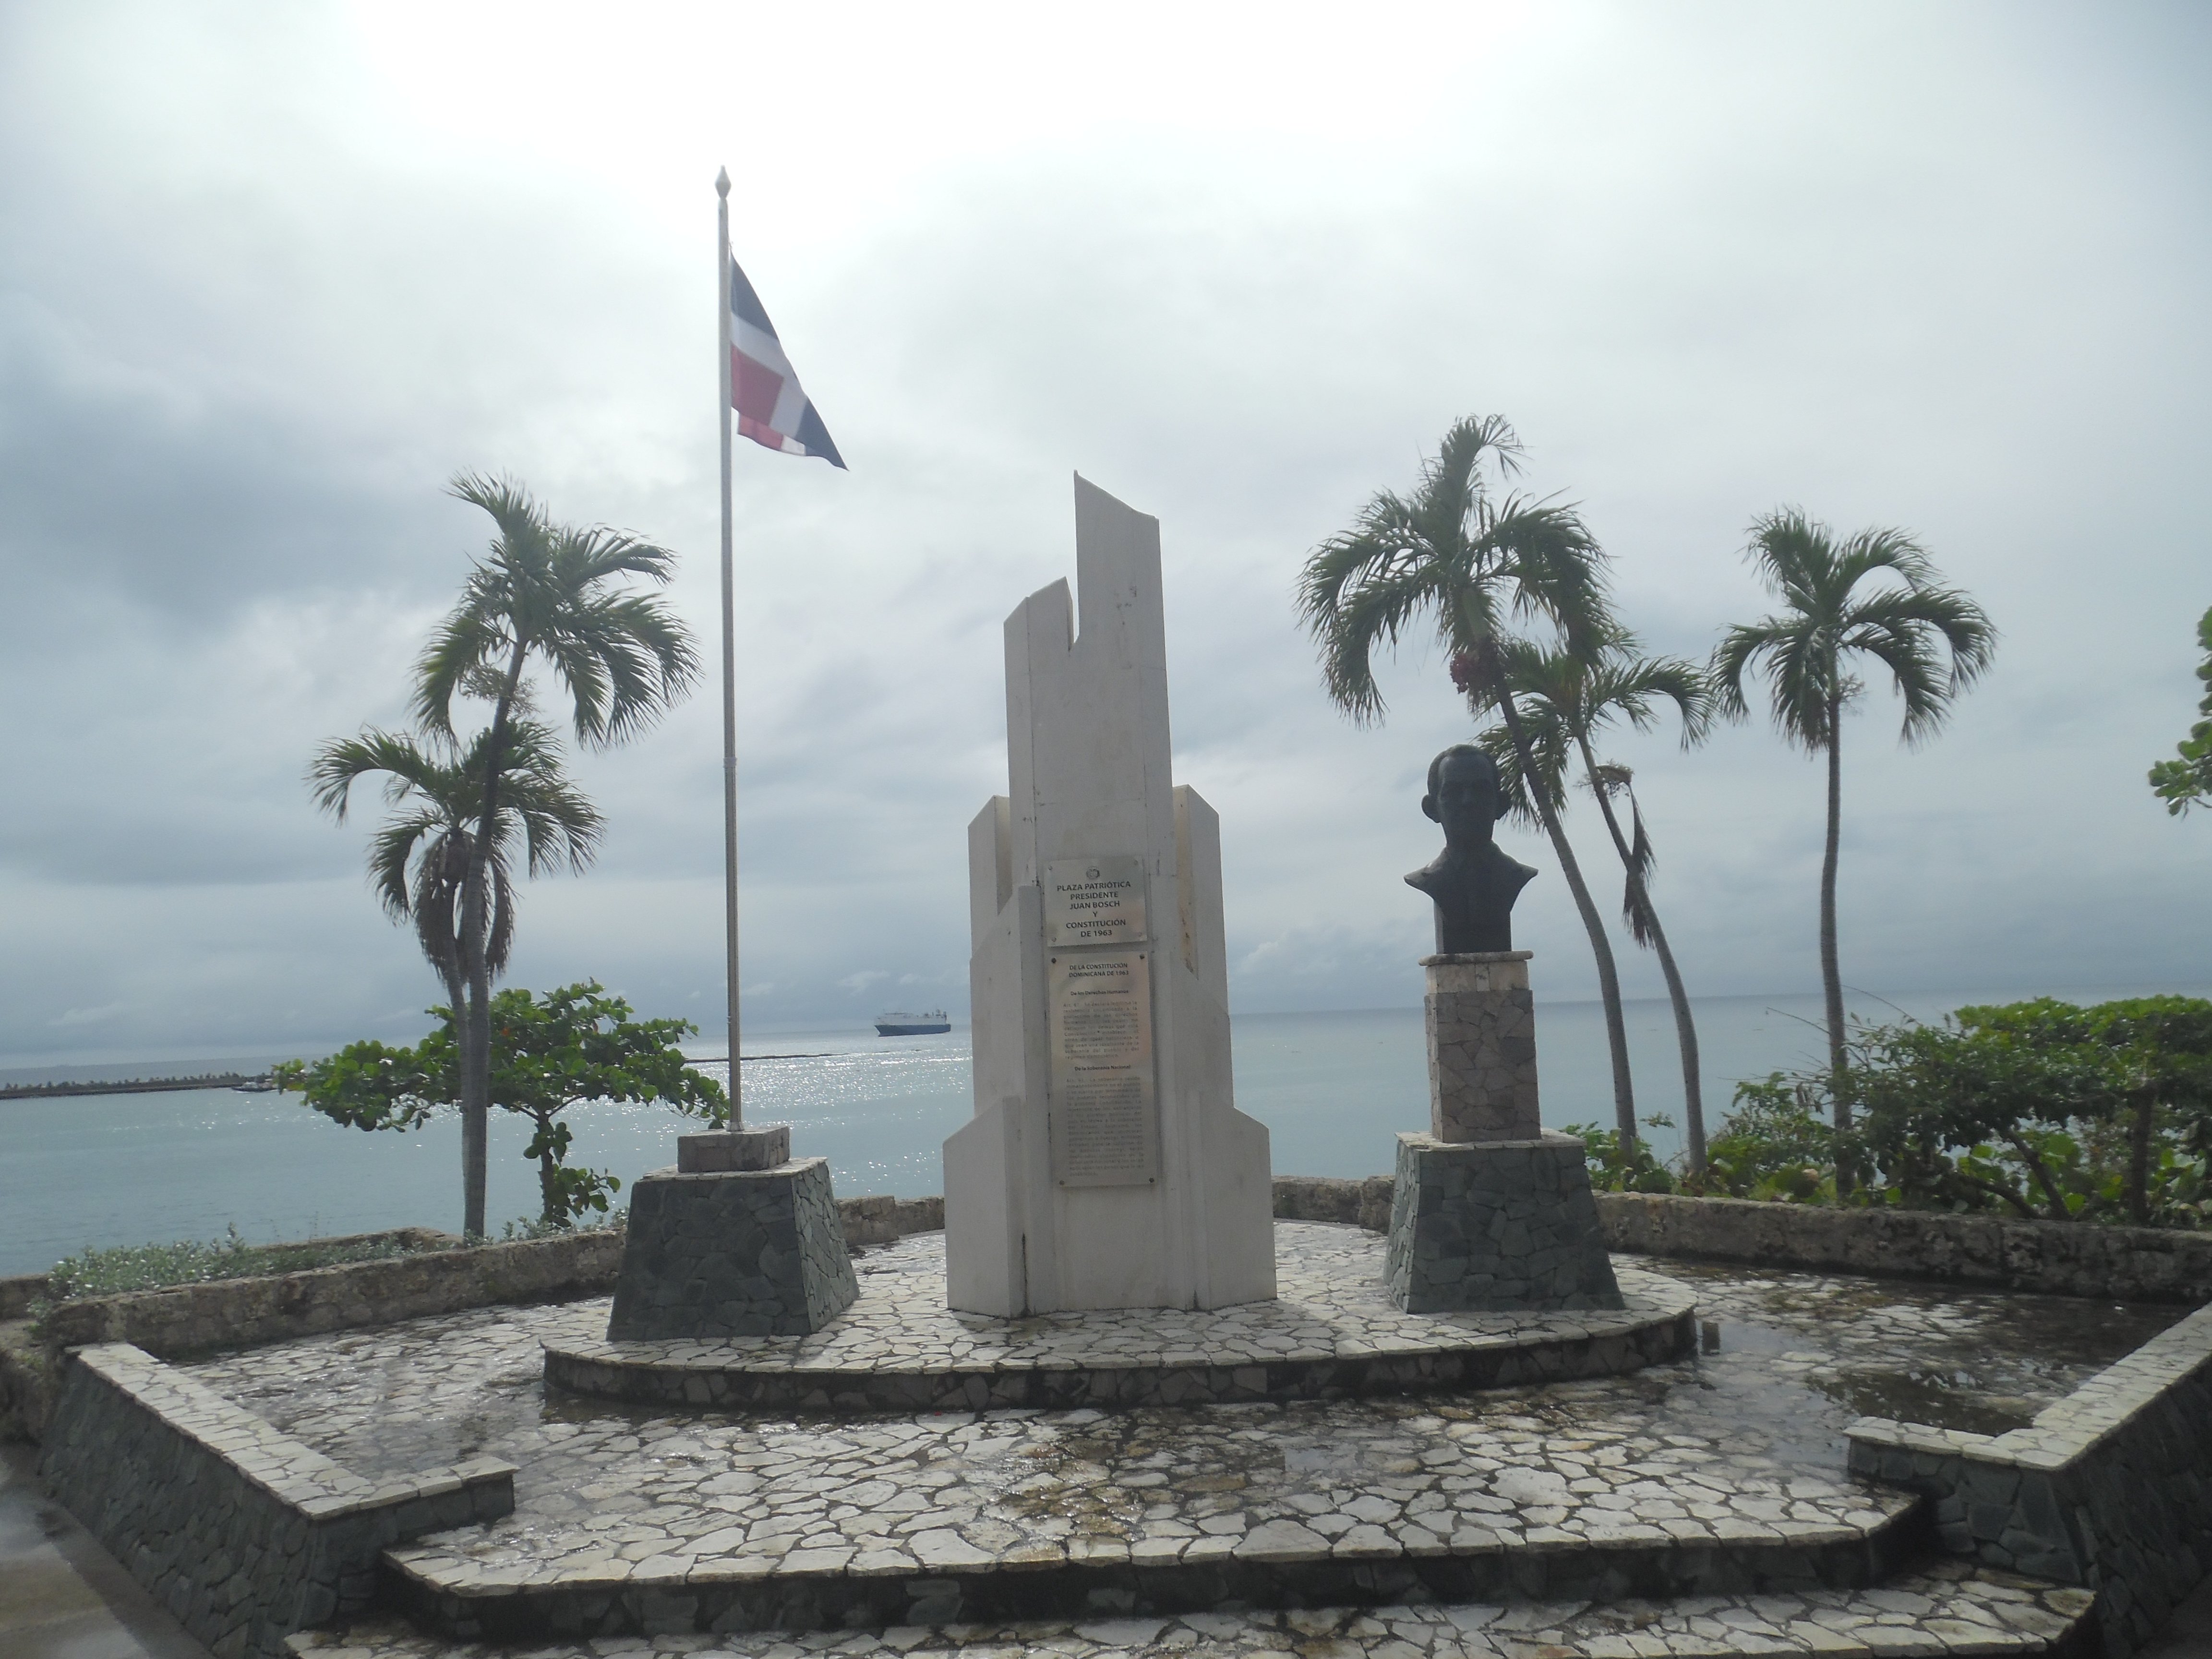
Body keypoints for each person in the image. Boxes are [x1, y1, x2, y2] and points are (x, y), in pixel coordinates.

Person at [1405, 744, 1537, 953]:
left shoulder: (1514, 876)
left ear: (1501, 804)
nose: (1468, 801)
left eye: (1480, 790)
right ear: (1432, 809)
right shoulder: (1430, 880)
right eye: (1453, 792)